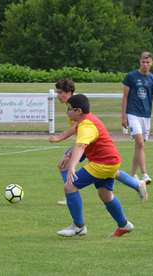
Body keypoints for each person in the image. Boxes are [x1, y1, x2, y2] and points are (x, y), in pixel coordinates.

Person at [48, 79, 147, 205]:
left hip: (88, 143)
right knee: (110, 171)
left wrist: (60, 137)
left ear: (69, 92)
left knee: (64, 165)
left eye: (60, 92)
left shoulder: (76, 106)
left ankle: (70, 194)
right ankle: (137, 184)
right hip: (88, 143)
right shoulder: (73, 105)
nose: (58, 95)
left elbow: (76, 128)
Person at [57, 94, 136, 238]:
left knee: (70, 186)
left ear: (78, 111)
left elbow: (81, 146)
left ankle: (78, 227)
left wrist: (72, 165)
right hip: (110, 162)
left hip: (103, 163)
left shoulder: (87, 125)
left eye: (69, 109)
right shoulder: (86, 120)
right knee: (105, 195)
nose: (67, 112)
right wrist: (67, 153)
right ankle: (124, 225)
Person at [121, 51, 153, 184]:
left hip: (146, 116)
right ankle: (145, 174)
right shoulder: (131, 77)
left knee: (139, 146)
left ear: (152, 63)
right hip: (132, 114)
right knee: (140, 143)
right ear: (139, 62)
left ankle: (132, 174)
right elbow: (125, 97)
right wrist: (123, 116)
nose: (145, 64)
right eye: (143, 62)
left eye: (147, 62)